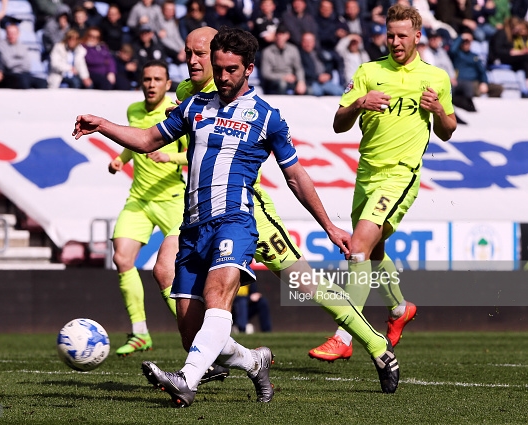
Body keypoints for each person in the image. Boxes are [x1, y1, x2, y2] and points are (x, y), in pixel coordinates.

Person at [74, 26, 400, 406]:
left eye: (200, 54)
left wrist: (328, 226)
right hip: (198, 217)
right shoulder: (188, 98)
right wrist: (105, 128)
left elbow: (293, 173)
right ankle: (243, 359)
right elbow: (153, 140)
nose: (193, 62)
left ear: (243, 67)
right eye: (191, 54)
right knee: (178, 298)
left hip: (248, 213)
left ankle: (375, 344)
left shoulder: (263, 114)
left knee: (304, 285)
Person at [308, 3, 457, 362]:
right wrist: (360, 102)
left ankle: (345, 335)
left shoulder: (435, 78)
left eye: (402, 35)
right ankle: (399, 309)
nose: (394, 41)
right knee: (372, 254)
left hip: (400, 176)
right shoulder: (368, 71)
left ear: (418, 36)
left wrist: (437, 110)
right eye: (390, 35)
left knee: (357, 246)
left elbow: (449, 130)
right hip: (366, 176)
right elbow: (338, 124)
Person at [107, 60, 185, 357]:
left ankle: (194, 329)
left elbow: (197, 152)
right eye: (147, 79)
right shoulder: (133, 111)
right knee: (122, 257)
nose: (151, 84)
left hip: (173, 199)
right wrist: (121, 160)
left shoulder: (178, 112)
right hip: (139, 198)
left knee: (169, 269)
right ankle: (140, 332)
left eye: (157, 79)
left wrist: (171, 160)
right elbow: (134, 141)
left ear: (168, 85)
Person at [449, 30, 503, 102]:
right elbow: (452, 49)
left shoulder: (475, 56)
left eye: (468, 42)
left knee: (498, 88)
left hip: (477, 82)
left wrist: (484, 83)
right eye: (464, 42)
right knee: (470, 87)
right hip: (463, 82)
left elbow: (482, 71)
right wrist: (461, 37)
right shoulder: (457, 55)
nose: (466, 44)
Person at [0, 22, 48, 89]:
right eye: (10, 33)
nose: (12, 35)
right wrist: (21, 61)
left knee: (43, 83)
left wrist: (15, 60)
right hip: (9, 74)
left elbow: (27, 65)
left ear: (18, 34)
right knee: (23, 81)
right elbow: (8, 64)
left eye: (14, 33)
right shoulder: (1, 45)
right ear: (6, 34)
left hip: (24, 74)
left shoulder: (22, 46)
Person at [259, 23, 307, 95]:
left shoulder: (293, 49)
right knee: (282, 84)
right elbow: (266, 73)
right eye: (279, 34)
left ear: (287, 36)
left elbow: (298, 68)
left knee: (308, 89)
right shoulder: (267, 51)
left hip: (291, 79)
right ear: (275, 36)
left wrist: (301, 81)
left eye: (283, 34)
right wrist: (283, 77)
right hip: (274, 81)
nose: (280, 37)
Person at [299, 30, 344, 96]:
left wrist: (328, 75)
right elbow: (301, 70)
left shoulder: (319, 53)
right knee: (317, 92)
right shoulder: (299, 54)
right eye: (306, 41)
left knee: (340, 91)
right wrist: (318, 77)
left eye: (310, 41)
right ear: (302, 42)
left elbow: (328, 65)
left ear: (314, 42)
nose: (308, 44)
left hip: (325, 81)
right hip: (311, 82)